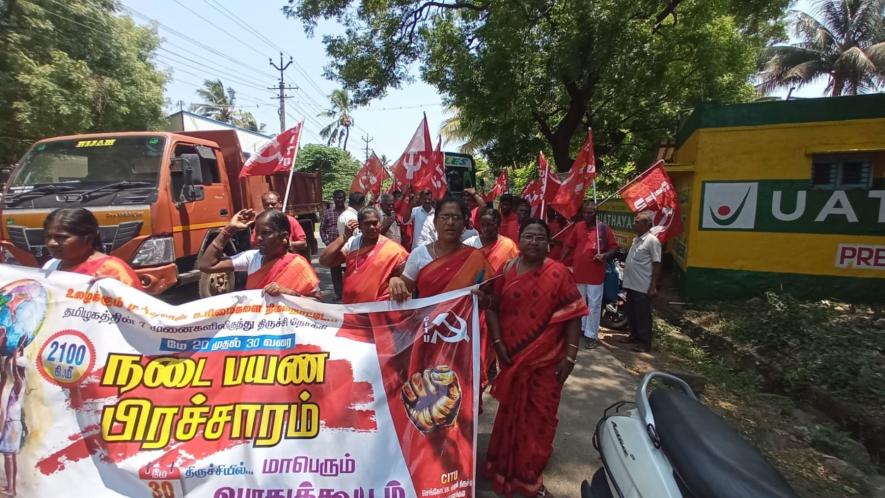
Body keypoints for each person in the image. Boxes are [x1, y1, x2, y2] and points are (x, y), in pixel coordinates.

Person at [482, 219, 588, 498]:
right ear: (520, 239)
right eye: (528, 236)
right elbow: (491, 304)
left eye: (540, 237)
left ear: (548, 243)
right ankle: (503, 467)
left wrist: (571, 357)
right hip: (511, 357)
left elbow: (574, 314)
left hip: (547, 362)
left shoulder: (559, 273)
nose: (534, 241)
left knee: (540, 419)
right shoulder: (506, 269)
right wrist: (497, 342)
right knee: (510, 415)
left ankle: (529, 476)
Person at [198, 209, 321, 298]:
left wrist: (289, 294)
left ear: (284, 237)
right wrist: (229, 229)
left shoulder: (298, 265)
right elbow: (207, 266)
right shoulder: (252, 258)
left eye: (265, 233)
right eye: (257, 233)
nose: (259, 239)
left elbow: (317, 303)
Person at [389, 196, 492, 301]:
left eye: (456, 217)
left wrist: (484, 300)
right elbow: (403, 292)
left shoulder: (474, 257)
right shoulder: (419, 254)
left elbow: (492, 298)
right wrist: (395, 281)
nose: (450, 222)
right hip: (428, 317)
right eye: (445, 217)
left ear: (464, 223)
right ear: (435, 222)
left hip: (463, 317)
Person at [319, 207, 409, 303]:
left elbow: (408, 278)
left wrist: (395, 279)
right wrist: (344, 237)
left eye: (375, 223)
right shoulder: (352, 244)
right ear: (360, 225)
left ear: (380, 223)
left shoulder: (393, 249)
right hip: (352, 308)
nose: (371, 227)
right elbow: (324, 260)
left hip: (379, 310)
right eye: (367, 223)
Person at [561, 201, 619, 349]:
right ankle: (581, 329)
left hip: (595, 274)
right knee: (580, 304)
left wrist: (605, 255)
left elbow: (614, 248)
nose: (586, 215)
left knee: (594, 305)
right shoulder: (578, 226)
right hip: (579, 273)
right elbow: (569, 246)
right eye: (585, 212)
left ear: (596, 213)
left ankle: (591, 335)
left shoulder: (603, 228)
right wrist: (559, 262)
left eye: (590, 212)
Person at [41, 208, 143, 290]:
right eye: (48, 237)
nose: (51, 243)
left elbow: (139, 308)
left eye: (61, 237)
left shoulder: (112, 269)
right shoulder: (51, 266)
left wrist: (117, 289)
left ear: (88, 239)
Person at [622, 211, 662, 353]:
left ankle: (644, 343)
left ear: (647, 224)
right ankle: (634, 336)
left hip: (642, 285)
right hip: (631, 284)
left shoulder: (652, 241)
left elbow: (656, 263)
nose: (634, 223)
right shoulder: (636, 239)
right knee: (631, 312)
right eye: (635, 221)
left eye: (637, 221)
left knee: (643, 315)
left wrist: (653, 286)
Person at [0, 337, 27, 497]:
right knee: (11, 457)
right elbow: (6, 373)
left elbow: (14, 372)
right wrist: (18, 351)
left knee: (9, 456)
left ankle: (11, 489)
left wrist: (15, 356)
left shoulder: (20, 383)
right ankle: (12, 487)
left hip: (12, 424)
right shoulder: (20, 382)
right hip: (13, 424)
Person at [463, 207, 519, 273]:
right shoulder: (470, 243)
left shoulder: (508, 246)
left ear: (498, 225)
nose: (485, 229)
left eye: (490, 225)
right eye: (483, 225)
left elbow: (514, 269)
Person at [321, 190, 347, 299]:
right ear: (334, 199)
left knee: (348, 271)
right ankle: (338, 294)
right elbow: (322, 229)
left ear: (344, 199)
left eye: (341, 198)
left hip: (347, 247)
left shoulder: (348, 213)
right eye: (337, 198)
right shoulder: (328, 213)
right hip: (333, 248)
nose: (339, 200)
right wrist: (327, 243)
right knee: (335, 272)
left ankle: (348, 293)